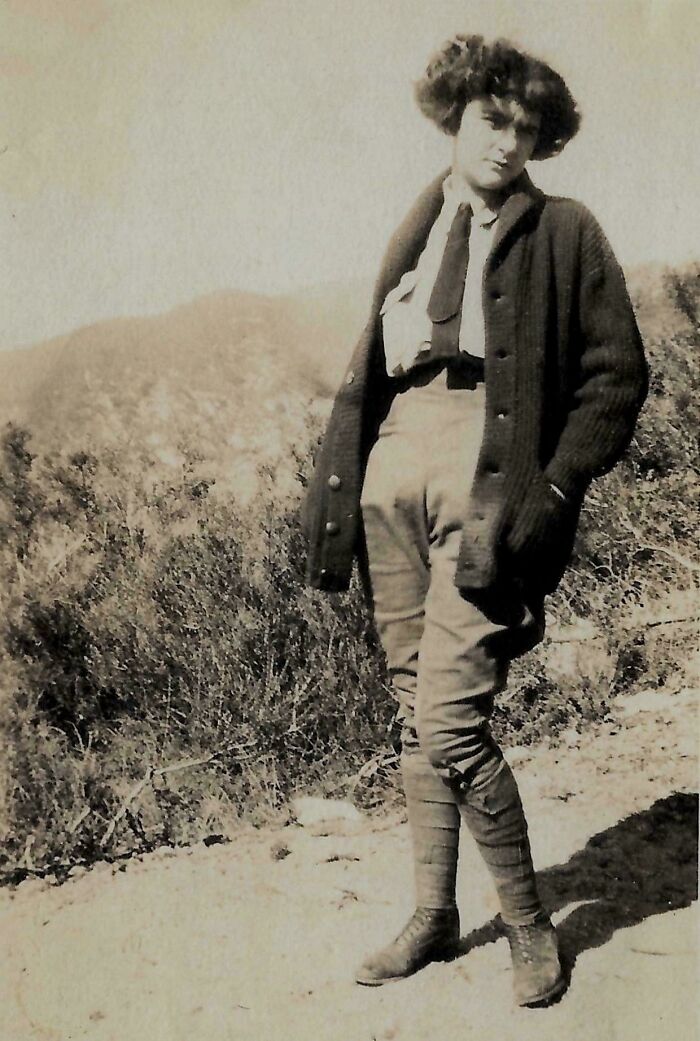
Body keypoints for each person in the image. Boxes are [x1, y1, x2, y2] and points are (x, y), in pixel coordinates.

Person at [302, 33, 648, 1007]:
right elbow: (377, 362)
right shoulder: (419, 220)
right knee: (418, 716)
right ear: (455, 115)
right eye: (493, 119)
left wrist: (555, 488)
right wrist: (355, 474)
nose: (507, 141)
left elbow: (615, 377)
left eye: (526, 128)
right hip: (394, 464)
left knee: (452, 722)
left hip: (488, 473)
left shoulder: (564, 230)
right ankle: (431, 914)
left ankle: (531, 927)